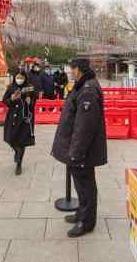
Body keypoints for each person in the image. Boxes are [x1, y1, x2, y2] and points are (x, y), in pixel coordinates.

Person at [51, 58, 107, 238]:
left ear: (79, 70)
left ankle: (87, 222)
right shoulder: (82, 85)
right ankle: (82, 214)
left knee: (86, 186)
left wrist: (76, 152)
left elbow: (85, 126)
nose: (70, 72)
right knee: (81, 185)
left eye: (72, 69)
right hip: (78, 149)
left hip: (83, 151)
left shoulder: (88, 90)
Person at [2, 70, 36, 175]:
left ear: (25, 78)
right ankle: (16, 151)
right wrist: (11, 99)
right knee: (10, 138)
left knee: (22, 141)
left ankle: (19, 164)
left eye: (22, 78)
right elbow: (5, 100)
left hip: (25, 118)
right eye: (18, 77)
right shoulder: (11, 88)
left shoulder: (29, 88)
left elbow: (34, 101)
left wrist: (30, 102)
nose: (19, 79)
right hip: (13, 117)